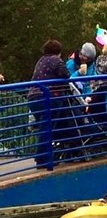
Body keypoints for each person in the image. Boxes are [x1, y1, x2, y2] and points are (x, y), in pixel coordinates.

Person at [27, 39, 70, 169]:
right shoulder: (57, 60)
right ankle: (42, 158)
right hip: (48, 97)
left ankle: (45, 155)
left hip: (33, 97)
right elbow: (65, 74)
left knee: (43, 126)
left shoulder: (40, 61)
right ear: (58, 52)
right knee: (47, 127)